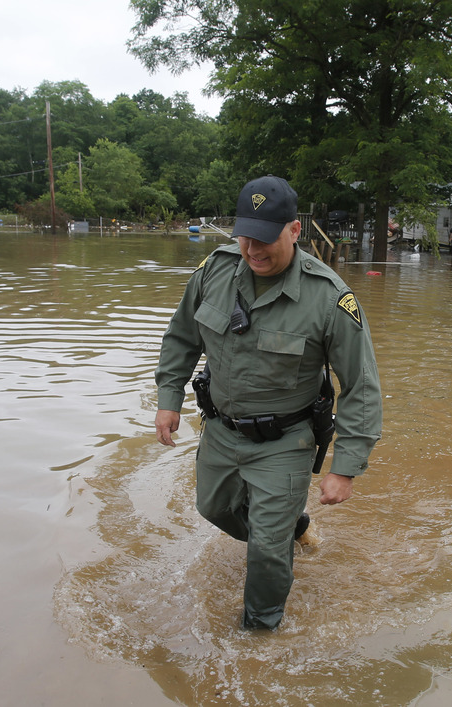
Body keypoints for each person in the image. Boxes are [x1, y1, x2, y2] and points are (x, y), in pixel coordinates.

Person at [154, 175, 383, 631]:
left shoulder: (329, 297)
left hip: (286, 440)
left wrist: (345, 466)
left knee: (265, 550)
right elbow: (182, 336)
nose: (253, 250)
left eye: (264, 240)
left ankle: (259, 635)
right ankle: (289, 529)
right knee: (212, 508)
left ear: (295, 231)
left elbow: (361, 385)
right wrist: (169, 397)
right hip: (220, 430)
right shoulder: (214, 272)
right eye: (244, 238)